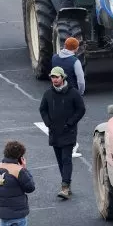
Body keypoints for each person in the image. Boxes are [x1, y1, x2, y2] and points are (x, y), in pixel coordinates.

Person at [39, 66, 86, 199]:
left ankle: (65, 186)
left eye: (56, 77)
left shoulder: (73, 93)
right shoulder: (48, 94)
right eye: (52, 77)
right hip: (54, 132)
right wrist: (48, 123)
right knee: (60, 160)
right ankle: (66, 184)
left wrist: (70, 123)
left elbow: (81, 109)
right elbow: (42, 109)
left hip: (68, 131)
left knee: (66, 159)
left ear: (62, 77)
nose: (54, 80)